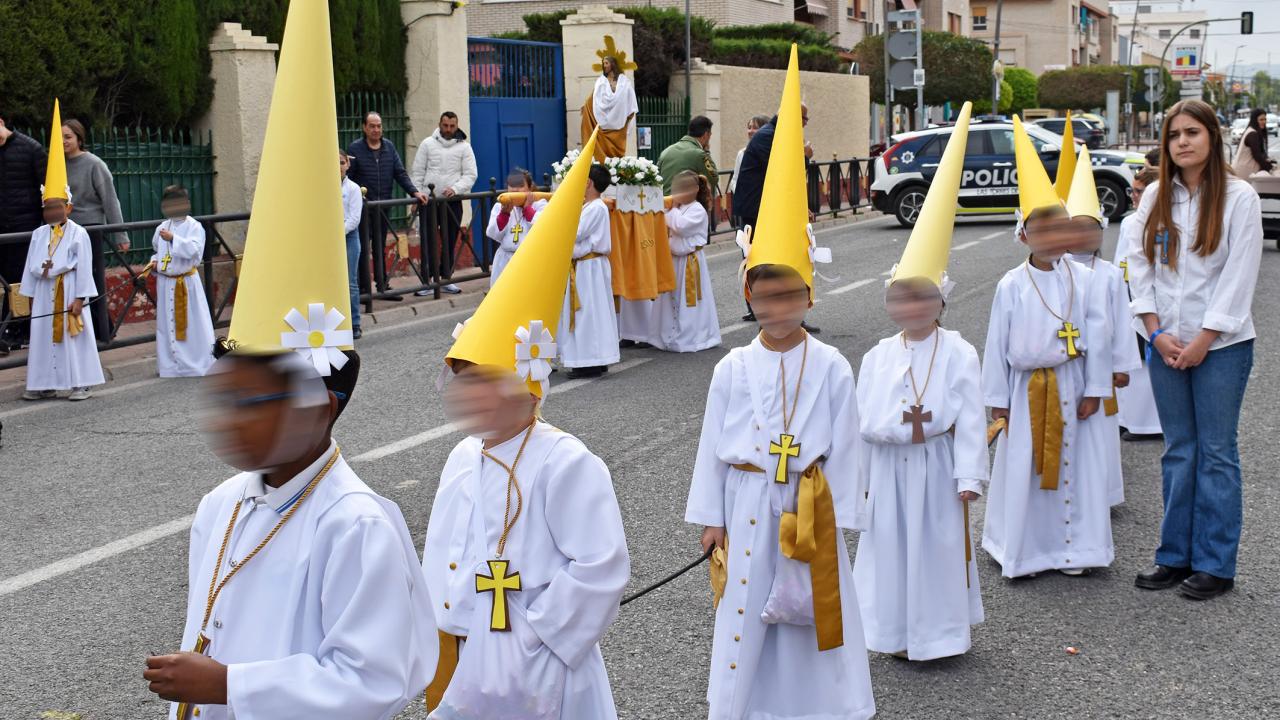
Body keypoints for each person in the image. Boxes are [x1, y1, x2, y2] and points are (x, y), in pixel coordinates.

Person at [144, 5, 437, 717]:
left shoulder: (357, 526)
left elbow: (379, 682)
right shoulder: (221, 504)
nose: (232, 421)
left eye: (256, 400)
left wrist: (230, 687)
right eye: (226, 396)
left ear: (322, 405)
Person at [685, 48, 875, 720]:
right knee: (747, 604)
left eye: (789, 296)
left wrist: (845, 516)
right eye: (764, 299)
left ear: (808, 298)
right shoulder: (732, 366)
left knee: (807, 605)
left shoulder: (829, 365)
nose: (777, 309)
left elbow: (847, 439)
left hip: (809, 502)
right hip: (743, 497)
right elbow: (713, 441)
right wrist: (710, 516)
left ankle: (819, 705)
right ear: (750, 300)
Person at [422, 131, 630, 719]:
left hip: (537, 656)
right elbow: (441, 547)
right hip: (462, 646)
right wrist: (435, 618)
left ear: (524, 387)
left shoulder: (566, 461)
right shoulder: (463, 457)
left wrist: (537, 638)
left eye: (484, 383)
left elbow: (600, 564)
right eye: (465, 383)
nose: (471, 399)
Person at [853, 102, 985, 662]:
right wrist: (856, 483)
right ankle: (890, 633)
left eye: (923, 299)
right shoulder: (878, 355)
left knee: (933, 549)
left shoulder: (957, 351)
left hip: (934, 467)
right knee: (888, 548)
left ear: (941, 303)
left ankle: (938, 635)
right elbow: (860, 422)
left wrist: (969, 474)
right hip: (888, 468)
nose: (911, 309)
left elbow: (972, 417)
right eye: (901, 298)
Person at [1130, 99, 1262, 601]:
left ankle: (1215, 563)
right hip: (1164, 343)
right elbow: (1138, 265)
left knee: (1216, 452)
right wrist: (1154, 330)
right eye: (1174, 134)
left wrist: (1205, 339)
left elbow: (1239, 275)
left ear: (1212, 137)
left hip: (1222, 347)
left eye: (1192, 132)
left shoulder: (1239, 198)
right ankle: (1174, 555)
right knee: (1178, 450)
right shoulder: (1156, 196)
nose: (1182, 142)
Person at [982, 116, 1114, 579]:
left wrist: (1096, 387)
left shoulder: (1087, 280)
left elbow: (1097, 336)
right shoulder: (1011, 285)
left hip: (1073, 383)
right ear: (1023, 235)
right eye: (1041, 230)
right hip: (1027, 389)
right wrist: (998, 403)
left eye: (1060, 229)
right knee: (1026, 470)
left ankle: (1075, 551)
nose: (1052, 238)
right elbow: (996, 344)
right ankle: (1026, 551)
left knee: (1076, 466)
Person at [1063, 148, 1142, 508]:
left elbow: (1122, 320)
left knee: (1099, 432)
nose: (1084, 236)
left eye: (1091, 228)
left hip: (1101, 366)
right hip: (1065, 364)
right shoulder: (1054, 272)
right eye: (1075, 228)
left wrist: (1122, 365)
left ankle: (1103, 494)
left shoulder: (1109, 275)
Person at [20, 100, 104, 402]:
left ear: (68, 207)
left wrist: (81, 298)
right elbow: (31, 264)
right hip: (44, 292)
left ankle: (80, 381)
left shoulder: (78, 234)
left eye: (57, 207)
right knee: (43, 338)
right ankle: (44, 382)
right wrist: (29, 293)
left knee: (73, 336)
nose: (52, 212)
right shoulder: (39, 234)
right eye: (47, 207)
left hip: (68, 290)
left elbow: (83, 266)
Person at [732, 104, 818, 330]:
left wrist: (801, 208)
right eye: (804, 118)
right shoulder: (767, 137)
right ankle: (766, 313)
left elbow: (786, 184)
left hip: (767, 209)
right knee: (764, 264)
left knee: (782, 262)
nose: (805, 124)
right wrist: (804, 156)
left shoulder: (774, 135)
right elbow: (783, 172)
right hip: (758, 211)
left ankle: (785, 314)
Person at [346, 111, 428, 298]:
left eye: (379, 126)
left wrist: (414, 192)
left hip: (384, 207)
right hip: (363, 209)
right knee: (362, 247)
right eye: (372, 126)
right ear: (364, 128)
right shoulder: (355, 149)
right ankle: (363, 290)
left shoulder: (389, 147)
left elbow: (400, 173)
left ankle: (383, 286)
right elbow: (349, 179)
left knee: (380, 246)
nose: (376, 129)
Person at [1112, 167, 1163, 440]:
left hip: (1151, 297)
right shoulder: (1130, 222)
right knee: (1132, 358)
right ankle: (1129, 418)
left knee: (1148, 360)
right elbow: (1122, 261)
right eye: (1132, 190)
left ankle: (1150, 424)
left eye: (1139, 191)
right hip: (1131, 294)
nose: (1133, 196)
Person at [557, 164, 619, 378]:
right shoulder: (589, 206)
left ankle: (589, 361)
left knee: (588, 313)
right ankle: (594, 358)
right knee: (590, 312)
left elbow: (575, 232)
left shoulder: (596, 207)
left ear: (588, 183)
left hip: (589, 267)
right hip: (585, 266)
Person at [147, 185, 215, 378]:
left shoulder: (194, 226)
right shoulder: (162, 227)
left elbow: (195, 251)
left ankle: (197, 364)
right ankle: (171, 366)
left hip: (186, 283)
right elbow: (157, 251)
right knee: (167, 326)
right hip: (166, 282)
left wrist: (174, 239)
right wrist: (153, 262)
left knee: (193, 325)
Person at [649, 170, 720, 353]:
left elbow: (680, 226)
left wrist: (668, 211)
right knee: (670, 298)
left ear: (695, 189)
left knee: (689, 302)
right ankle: (666, 335)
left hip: (690, 261)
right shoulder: (678, 208)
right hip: (674, 260)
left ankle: (693, 338)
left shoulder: (697, 209)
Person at [411, 112, 478, 295]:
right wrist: (416, 194)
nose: (448, 129)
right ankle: (428, 282)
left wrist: (456, 189)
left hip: (452, 201)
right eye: (445, 125)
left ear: (457, 126)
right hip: (428, 201)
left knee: (449, 240)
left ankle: (446, 279)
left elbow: (471, 174)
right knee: (428, 240)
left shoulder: (465, 148)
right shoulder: (427, 144)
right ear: (439, 124)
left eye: (452, 126)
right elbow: (417, 171)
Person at [0, 109, 47, 352]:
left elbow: (45, 189)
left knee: (21, 283)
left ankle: (22, 330)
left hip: (24, 228)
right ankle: (4, 332)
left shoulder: (31, 149)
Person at [62, 118, 128, 252]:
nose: (63, 141)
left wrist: (121, 236)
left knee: (92, 271)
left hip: (91, 228)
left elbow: (110, 201)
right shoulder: (56, 165)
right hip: (64, 228)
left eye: (68, 137)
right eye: (60, 137)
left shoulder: (95, 164)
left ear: (79, 139)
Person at [485, 168, 544, 287]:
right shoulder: (499, 206)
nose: (515, 189)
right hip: (505, 259)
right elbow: (492, 233)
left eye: (521, 186)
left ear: (530, 187)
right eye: (512, 186)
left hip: (528, 259)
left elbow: (543, 229)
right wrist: (504, 214)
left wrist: (528, 209)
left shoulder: (540, 204)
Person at [581, 55, 638, 160]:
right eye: (603, 63)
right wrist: (586, 107)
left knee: (617, 158)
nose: (604, 65)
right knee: (603, 154)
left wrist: (630, 112)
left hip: (619, 124)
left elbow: (630, 97)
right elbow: (594, 97)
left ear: (613, 64)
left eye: (606, 63)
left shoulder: (623, 81)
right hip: (603, 123)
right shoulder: (601, 81)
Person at [657, 115, 718, 197]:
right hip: (687, 206)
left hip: (666, 205)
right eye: (710, 135)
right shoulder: (700, 154)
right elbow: (714, 179)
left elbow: (657, 179)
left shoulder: (666, 152)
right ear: (706, 135)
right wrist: (706, 152)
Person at [729, 114, 771, 227]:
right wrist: (741, 189)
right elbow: (735, 179)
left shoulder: (768, 152)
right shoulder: (742, 153)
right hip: (748, 206)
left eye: (755, 127)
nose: (750, 131)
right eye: (749, 127)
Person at [339, 149, 363, 339]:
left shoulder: (353, 188)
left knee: (350, 283)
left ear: (348, 164)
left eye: (341, 162)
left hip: (348, 237)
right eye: (335, 162)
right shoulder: (323, 187)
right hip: (328, 239)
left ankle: (354, 323)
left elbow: (354, 218)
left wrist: (338, 233)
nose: (338, 167)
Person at [1231, 108, 1275, 178]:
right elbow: (1257, 156)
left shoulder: (1253, 131)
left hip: (1246, 171)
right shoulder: (1252, 134)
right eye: (1261, 119)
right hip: (1243, 172)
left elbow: (1261, 154)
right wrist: (1271, 168)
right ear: (1255, 120)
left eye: (1265, 119)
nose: (1264, 122)